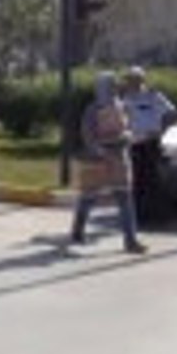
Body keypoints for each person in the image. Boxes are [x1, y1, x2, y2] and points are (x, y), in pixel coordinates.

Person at [70, 73, 146, 254]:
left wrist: (128, 136)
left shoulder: (122, 106)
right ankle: (77, 231)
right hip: (98, 159)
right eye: (109, 85)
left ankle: (130, 241)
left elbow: (129, 127)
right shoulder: (92, 109)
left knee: (125, 198)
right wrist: (97, 149)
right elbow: (87, 133)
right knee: (89, 197)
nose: (113, 88)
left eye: (114, 85)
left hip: (120, 157)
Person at [121, 67, 177, 224]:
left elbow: (171, 113)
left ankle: (158, 216)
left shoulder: (153, 96)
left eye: (134, 79)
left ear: (141, 80)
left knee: (153, 179)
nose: (131, 82)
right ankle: (139, 216)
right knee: (137, 180)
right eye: (129, 79)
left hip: (151, 143)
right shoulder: (125, 99)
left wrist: (162, 131)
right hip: (133, 144)